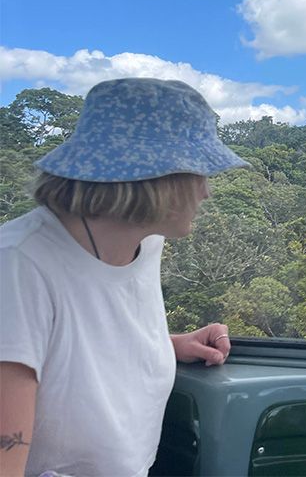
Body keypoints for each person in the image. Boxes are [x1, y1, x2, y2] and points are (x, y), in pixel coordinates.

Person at [0, 78, 249, 476]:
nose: (206, 192)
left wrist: (164, 345)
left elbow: (79, 333)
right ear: (155, 181)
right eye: (199, 173)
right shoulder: (17, 264)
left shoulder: (145, 242)